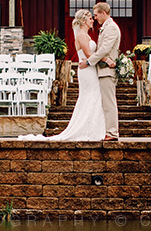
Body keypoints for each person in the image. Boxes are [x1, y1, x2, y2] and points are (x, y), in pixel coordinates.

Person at [18, 9, 105, 141]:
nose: (92, 20)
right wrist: (105, 60)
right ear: (83, 20)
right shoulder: (81, 35)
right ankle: (87, 129)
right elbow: (88, 55)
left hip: (90, 68)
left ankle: (93, 128)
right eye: (90, 18)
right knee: (91, 96)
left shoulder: (86, 35)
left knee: (93, 97)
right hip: (87, 70)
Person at [84, 2, 120, 141]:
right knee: (105, 102)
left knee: (109, 102)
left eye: (97, 14)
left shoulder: (111, 28)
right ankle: (106, 130)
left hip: (107, 71)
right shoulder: (106, 27)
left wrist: (89, 61)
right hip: (103, 69)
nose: (95, 18)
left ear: (104, 13)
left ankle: (112, 133)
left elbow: (104, 48)